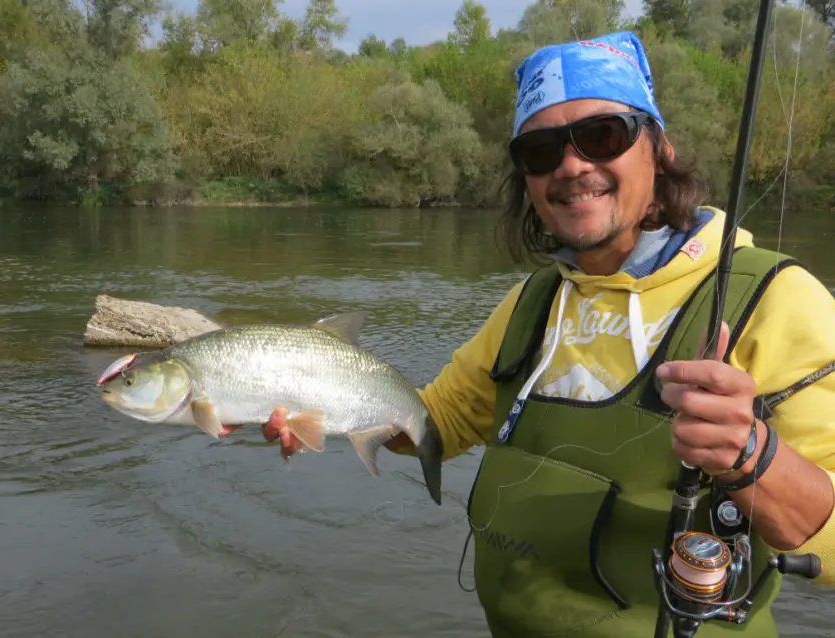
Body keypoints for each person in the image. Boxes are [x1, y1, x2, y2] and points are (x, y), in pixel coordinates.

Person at [262, 31, 835, 637]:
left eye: (603, 135)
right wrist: (306, 396)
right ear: (527, 181)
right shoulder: (532, 303)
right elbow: (435, 423)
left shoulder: (775, 299)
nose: (571, 166)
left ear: (660, 149)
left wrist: (754, 455)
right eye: (540, 151)